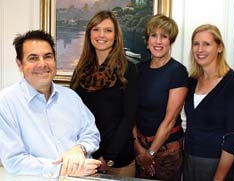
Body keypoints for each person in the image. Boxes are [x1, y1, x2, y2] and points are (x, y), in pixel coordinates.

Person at [0, 30, 101, 178]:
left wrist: (80, 149)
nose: (42, 64)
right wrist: (63, 169)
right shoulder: (5, 103)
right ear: (20, 64)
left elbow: (91, 133)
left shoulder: (71, 97)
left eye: (48, 56)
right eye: (33, 58)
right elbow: (14, 161)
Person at [70, 11, 138, 177]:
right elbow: (73, 114)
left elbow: (128, 118)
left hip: (117, 160)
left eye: (108, 30)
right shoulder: (80, 70)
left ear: (116, 36)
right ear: (89, 34)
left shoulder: (128, 69)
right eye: (96, 29)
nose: (101, 35)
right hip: (85, 158)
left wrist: (108, 158)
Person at [133, 14, 188, 180]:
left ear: (170, 41)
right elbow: (130, 112)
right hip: (139, 147)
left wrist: (150, 153)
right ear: (147, 40)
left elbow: (170, 120)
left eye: (164, 37)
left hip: (167, 151)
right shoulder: (138, 69)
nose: (158, 41)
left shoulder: (177, 71)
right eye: (153, 35)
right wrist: (139, 149)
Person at [183, 24, 234, 181]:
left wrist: (218, 178)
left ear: (219, 47)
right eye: (196, 43)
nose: (200, 49)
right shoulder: (192, 81)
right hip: (190, 159)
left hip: (217, 165)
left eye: (206, 44)